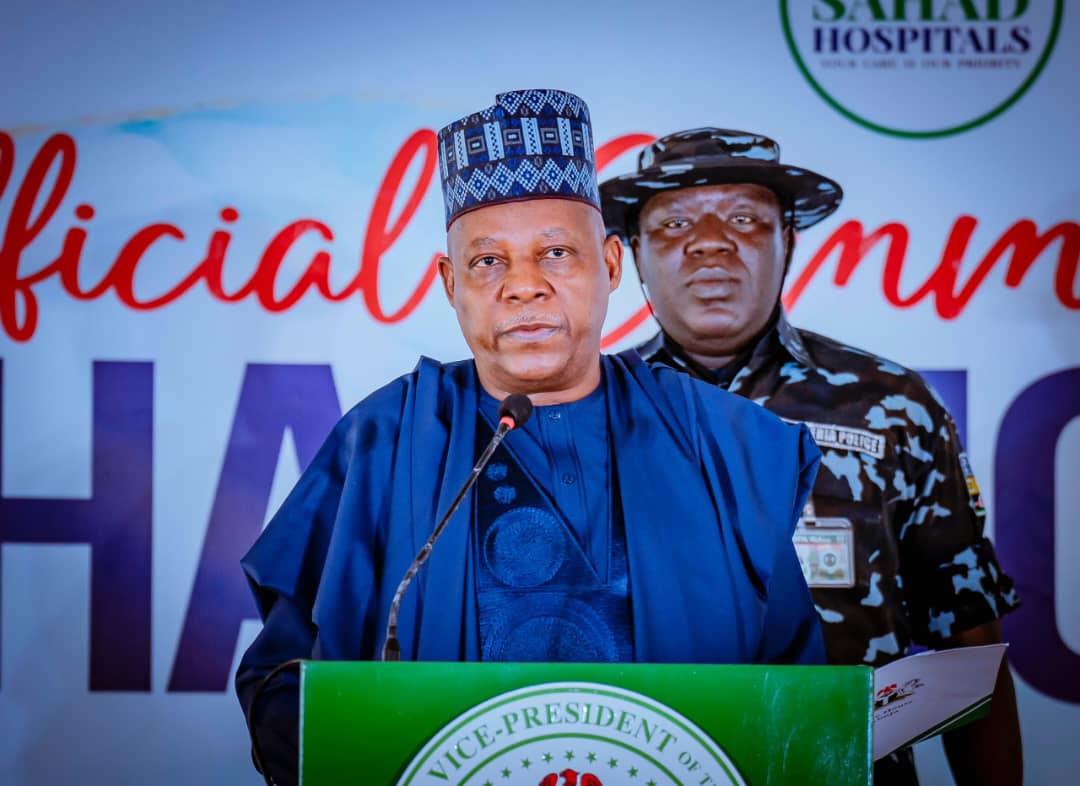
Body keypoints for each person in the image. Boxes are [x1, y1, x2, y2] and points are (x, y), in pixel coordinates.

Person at [235, 94, 825, 786]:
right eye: (488, 262)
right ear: (450, 284)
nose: (524, 287)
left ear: (610, 265)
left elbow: (794, 695)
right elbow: (283, 681)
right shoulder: (386, 438)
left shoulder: (721, 440)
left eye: (556, 253)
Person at [599, 128, 1023, 786]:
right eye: (674, 223)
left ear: (788, 242)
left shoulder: (893, 405)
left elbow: (967, 643)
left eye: (744, 218)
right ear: (632, 254)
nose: (709, 242)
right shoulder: (588, 415)